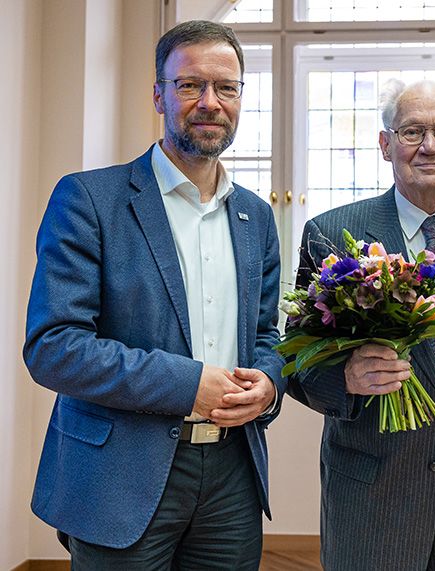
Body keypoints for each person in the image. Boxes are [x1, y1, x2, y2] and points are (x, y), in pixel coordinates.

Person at [23, 20, 285, 569]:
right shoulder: (89, 198)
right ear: (159, 95)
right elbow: (54, 347)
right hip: (120, 476)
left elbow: (265, 335)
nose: (210, 102)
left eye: (227, 88)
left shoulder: (256, 216)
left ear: (241, 97)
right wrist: (190, 384)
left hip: (233, 477)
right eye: (190, 85)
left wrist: (268, 384)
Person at [289, 78, 435, 570]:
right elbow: (294, 357)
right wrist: (345, 379)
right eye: (413, 131)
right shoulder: (333, 235)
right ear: (385, 144)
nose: (430, 146)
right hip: (374, 497)